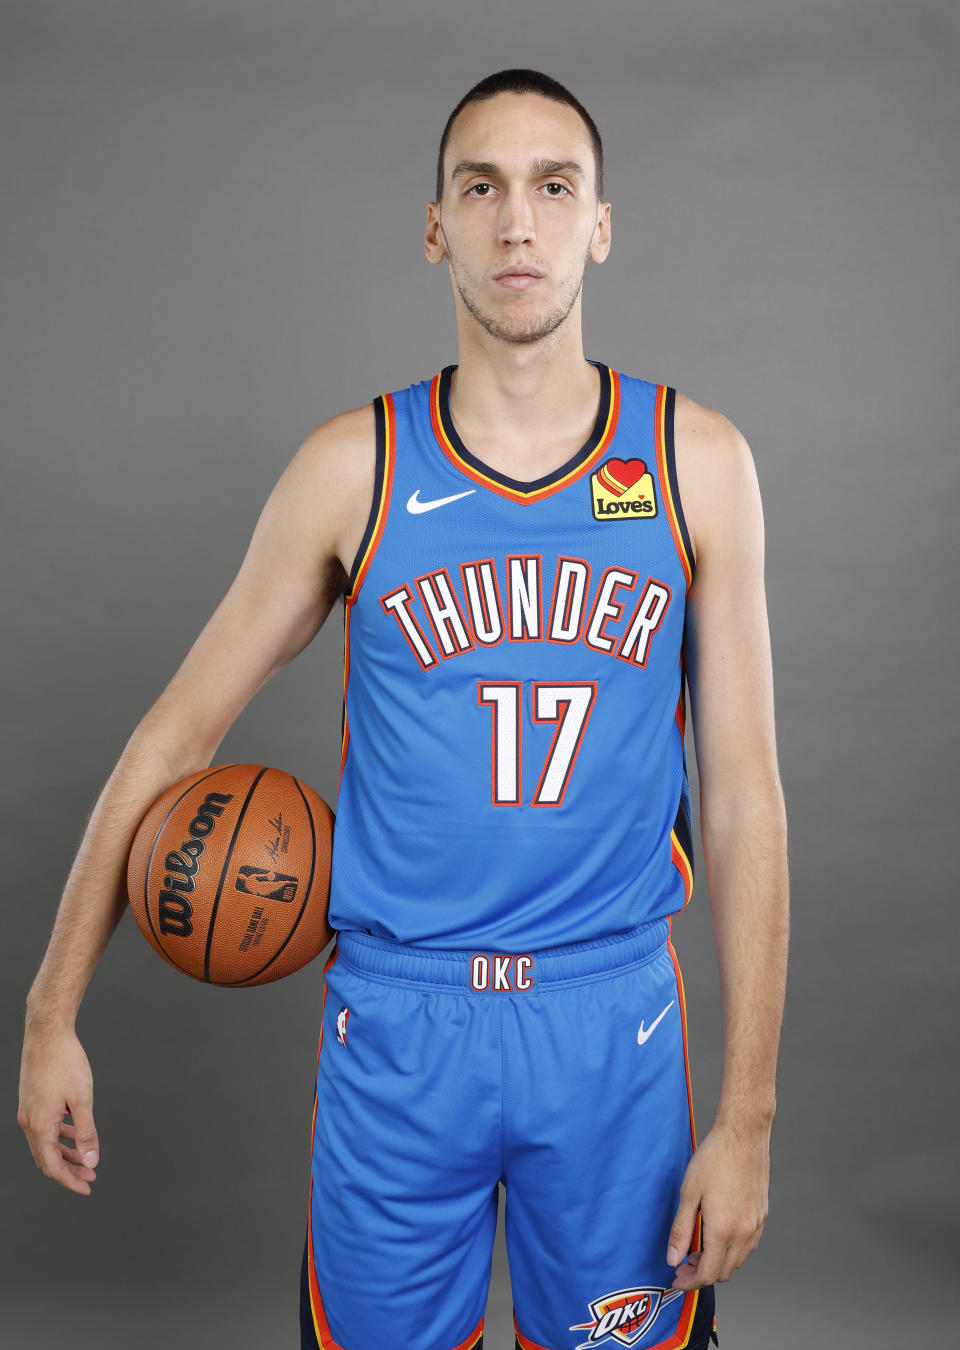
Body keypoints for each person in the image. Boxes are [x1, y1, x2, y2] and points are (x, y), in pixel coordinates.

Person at [18, 68, 789, 1350]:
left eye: (555, 188)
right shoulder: (354, 469)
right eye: (481, 188)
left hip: (614, 1025)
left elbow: (745, 794)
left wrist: (750, 1115)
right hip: (400, 1026)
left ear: (602, 223)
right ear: (435, 224)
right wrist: (51, 1016)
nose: (518, 226)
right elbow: (172, 741)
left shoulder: (696, 463)